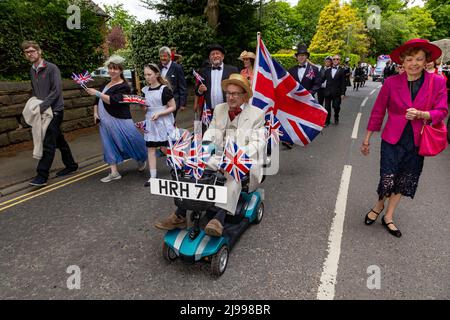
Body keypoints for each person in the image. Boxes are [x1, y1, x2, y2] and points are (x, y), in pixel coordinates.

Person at [155, 73, 266, 237]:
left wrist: (235, 156)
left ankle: (219, 219)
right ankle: (180, 214)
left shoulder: (257, 114)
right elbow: (211, 134)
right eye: (228, 93)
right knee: (193, 165)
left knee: (232, 172)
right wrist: (205, 149)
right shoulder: (220, 109)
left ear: (244, 96)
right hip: (218, 155)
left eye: (235, 93)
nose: (231, 97)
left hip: (244, 160)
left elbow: (258, 143)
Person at [361, 38, 448, 238]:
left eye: (419, 59)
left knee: (404, 179)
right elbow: (378, 111)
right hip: (392, 139)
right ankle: (378, 205)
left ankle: (388, 216)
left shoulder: (437, 82)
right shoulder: (391, 83)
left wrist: (422, 114)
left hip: (418, 139)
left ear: (427, 60)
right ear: (403, 61)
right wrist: (367, 138)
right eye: (409, 59)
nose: (414, 63)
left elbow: (442, 110)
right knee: (388, 178)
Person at [22, 40, 78, 187]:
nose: (30, 54)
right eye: (27, 52)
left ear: (39, 52)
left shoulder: (52, 68)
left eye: (32, 51)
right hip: (43, 110)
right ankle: (71, 165)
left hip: (55, 111)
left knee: (48, 142)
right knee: (58, 139)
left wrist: (41, 107)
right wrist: (35, 105)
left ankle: (42, 175)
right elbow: (35, 91)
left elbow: (56, 91)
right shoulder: (32, 70)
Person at [86, 55, 147, 182]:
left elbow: (114, 101)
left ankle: (142, 158)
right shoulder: (105, 83)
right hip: (104, 120)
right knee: (108, 144)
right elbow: (97, 100)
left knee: (131, 141)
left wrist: (97, 93)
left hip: (120, 119)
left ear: (120, 70)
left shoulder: (124, 86)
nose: (112, 71)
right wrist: (95, 113)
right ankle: (114, 172)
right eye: (110, 68)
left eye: (115, 68)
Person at [141, 64, 176, 187]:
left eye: (149, 74)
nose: (147, 77)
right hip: (151, 122)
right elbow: (146, 108)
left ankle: (178, 169)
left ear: (156, 74)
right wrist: (143, 106)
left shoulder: (164, 89)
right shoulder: (144, 90)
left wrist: (160, 113)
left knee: (168, 147)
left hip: (164, 121)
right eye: (145, 75)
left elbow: (173, 107)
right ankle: (153, 177)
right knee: (150, 149)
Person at [195, 44, 239, 113]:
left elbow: (238, 89)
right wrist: (200, 90)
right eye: (212, 54)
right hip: (210, 111)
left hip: (228, 109)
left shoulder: (232, 70)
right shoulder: (203, 71)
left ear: (223, 56)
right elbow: (198, 92)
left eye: (217, 53)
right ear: (209, 58)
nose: (215, 56)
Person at [158, 46, 187, 120]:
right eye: (161, 56)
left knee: (170, 121)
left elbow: (182, 86)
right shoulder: (158, 67)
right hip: (160, 101)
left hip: (173, 101)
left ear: (170, 56)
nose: (162, 58)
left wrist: (182, 103)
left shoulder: (177, 67)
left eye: (164, 56)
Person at [323, 54, 347, 126]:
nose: (335, 60)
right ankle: (327, 121)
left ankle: (336, 116)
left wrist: (343, 93)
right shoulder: (327, 70)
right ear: (332, 60)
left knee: (336, 106)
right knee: (327, 108)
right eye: (334, 59)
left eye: (337, 59)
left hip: (337, 93)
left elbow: (343, 83)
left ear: (339, 61)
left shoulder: (342, 70)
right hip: (327, 92)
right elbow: (322, 79)